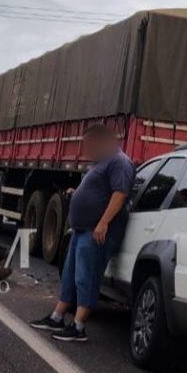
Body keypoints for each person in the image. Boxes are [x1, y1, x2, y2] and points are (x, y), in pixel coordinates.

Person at [30, 124, 135, 342]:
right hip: (81, 230)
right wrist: (76, 193)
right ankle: (57, 316)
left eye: (89, 143)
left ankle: (78, 327)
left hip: (96, 232)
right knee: (70, 275)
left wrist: (103, 223)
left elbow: (120, 193)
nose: (86, 147)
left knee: (86, 277)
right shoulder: (101, 163)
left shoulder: (120, 162)